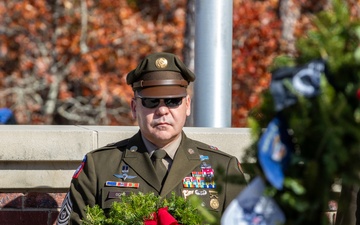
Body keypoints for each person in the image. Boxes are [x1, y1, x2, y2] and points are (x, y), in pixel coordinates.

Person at [57, 52, 247, 225]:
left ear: (187, 105)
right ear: (134, 107)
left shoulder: (223, 168)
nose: (162, 110)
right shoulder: (99, 167)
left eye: (173, 101)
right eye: (151, 101)